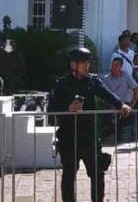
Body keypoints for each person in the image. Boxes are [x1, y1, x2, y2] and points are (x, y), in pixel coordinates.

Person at [51, 47, 132, 202]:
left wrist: (120, 104)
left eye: (88, 63)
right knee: (69, 174)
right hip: (69, 136)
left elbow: (108, 94)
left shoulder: (92, 81)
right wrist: (68, 109)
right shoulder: (62, 84)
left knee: (97, 173)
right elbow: (51, 109)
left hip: (89, 136)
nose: (87, 66)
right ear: (73, 64)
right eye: (83, 63)